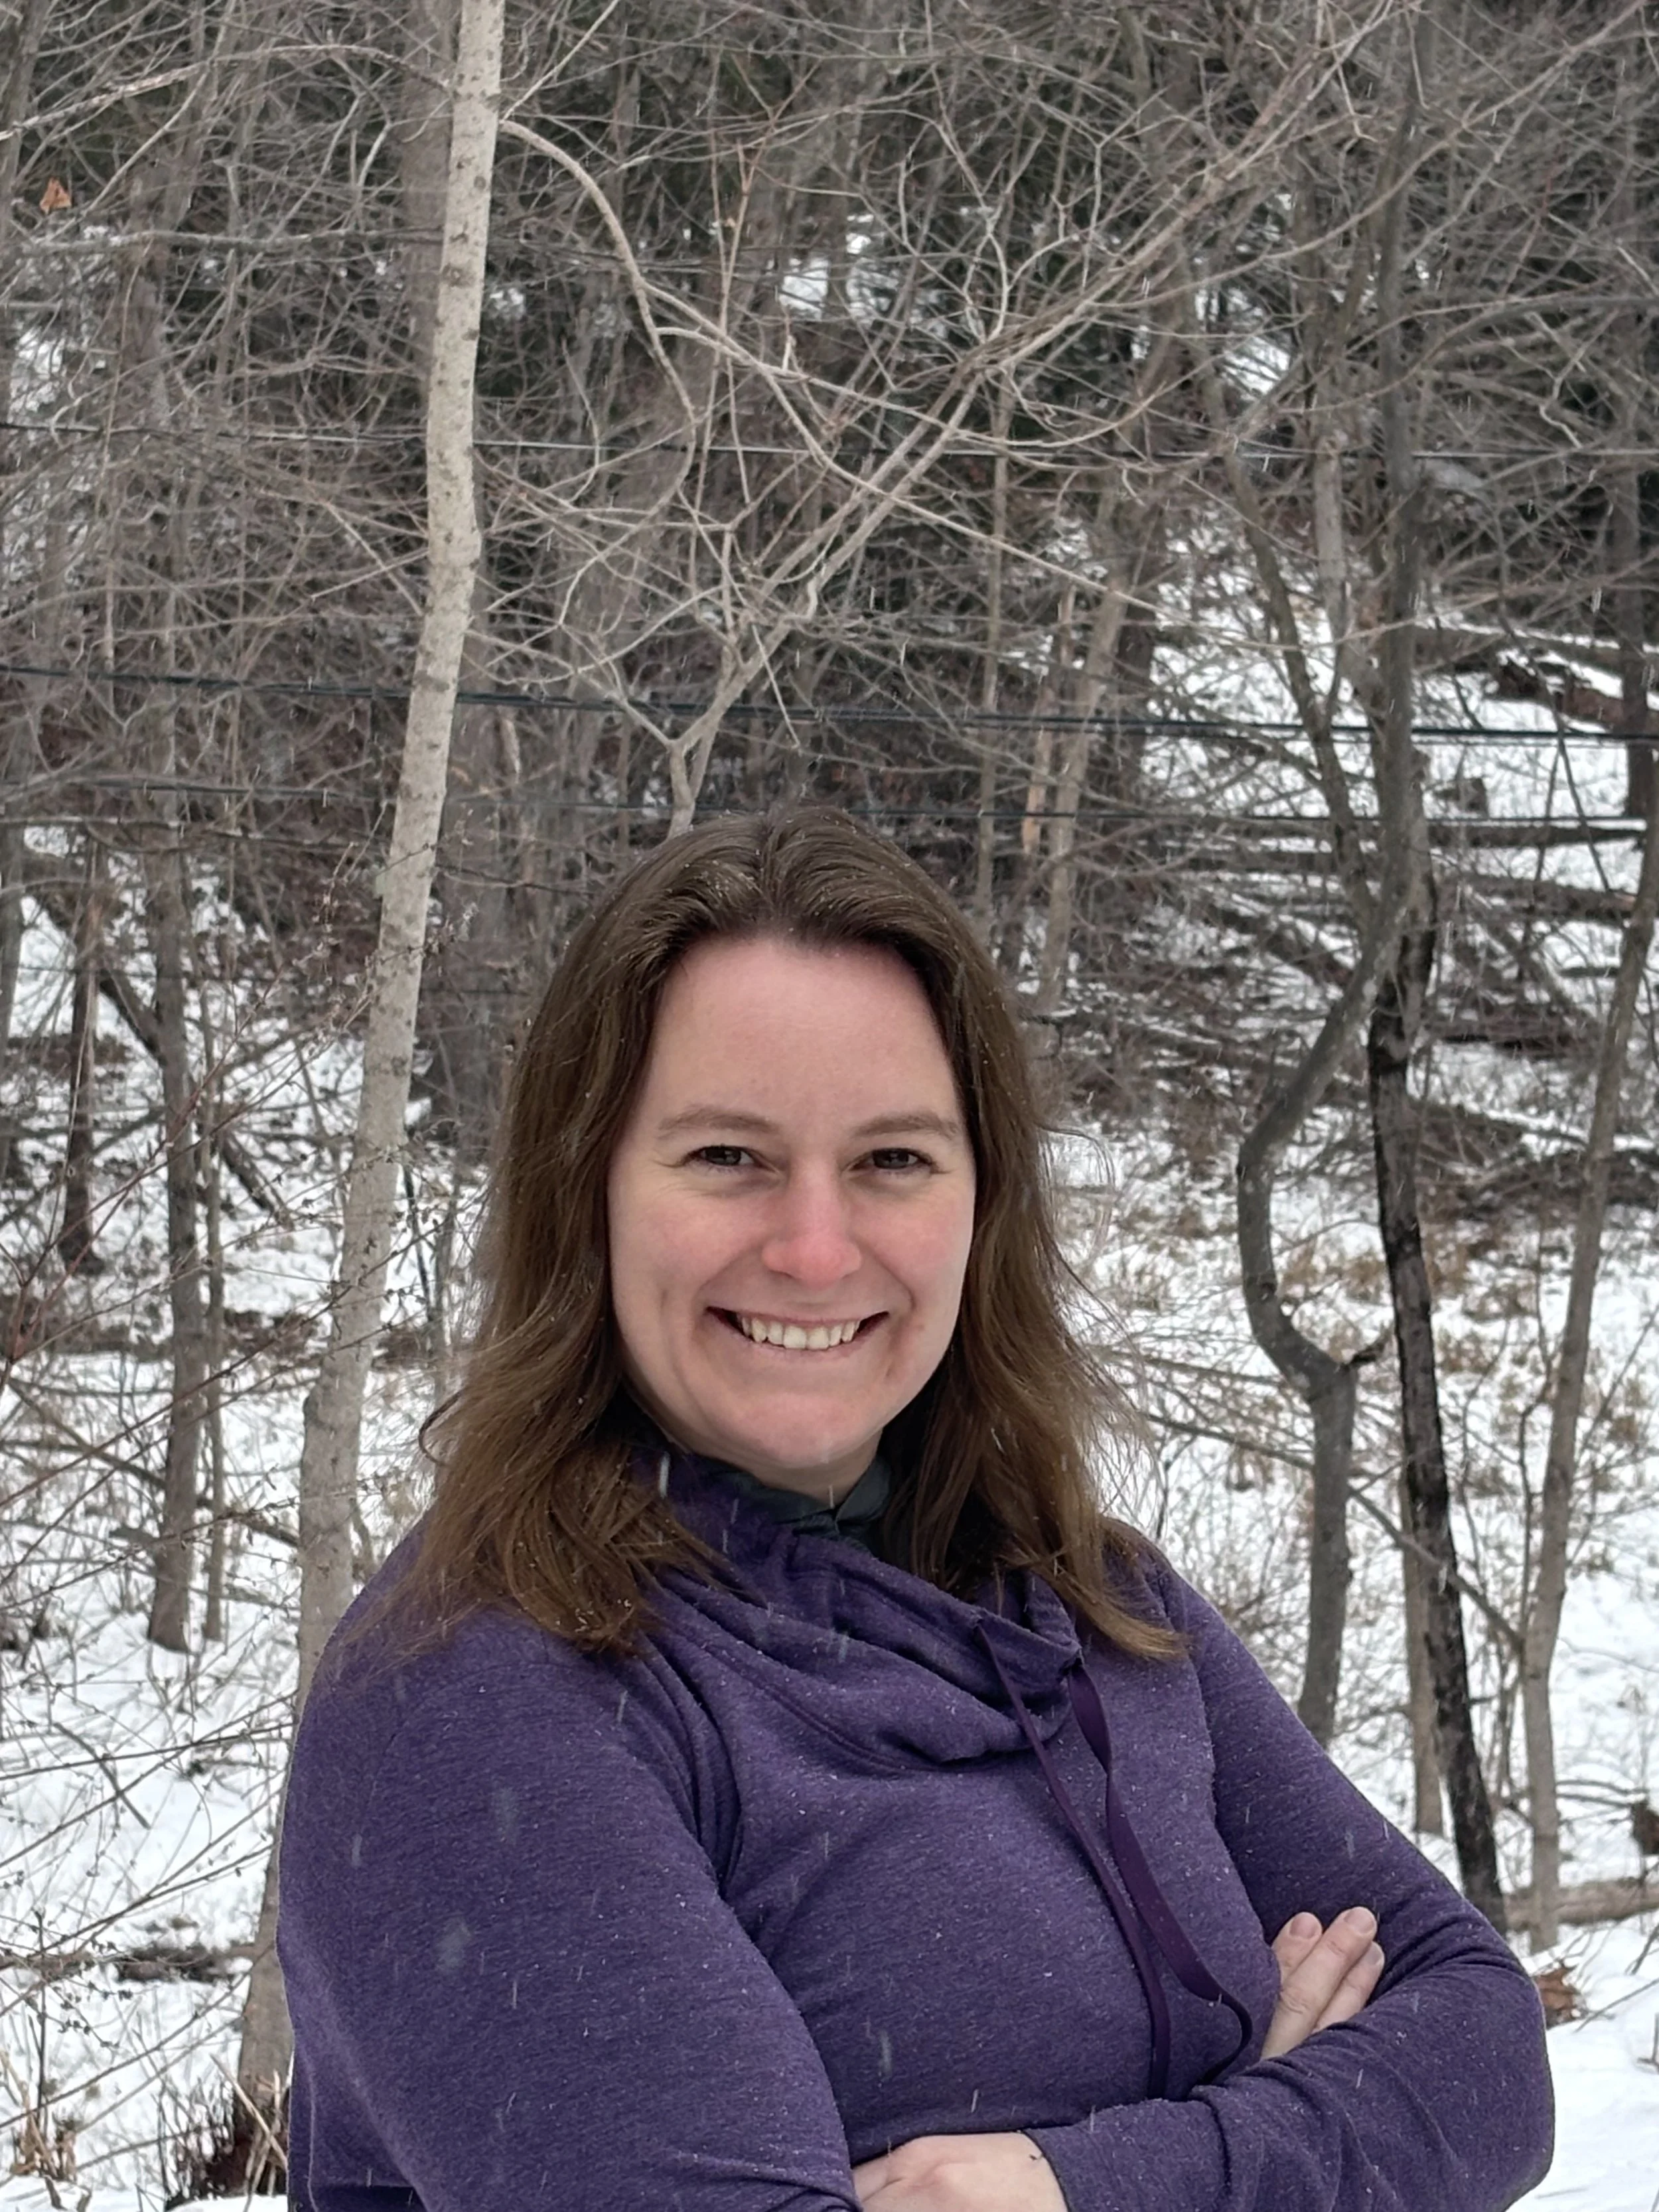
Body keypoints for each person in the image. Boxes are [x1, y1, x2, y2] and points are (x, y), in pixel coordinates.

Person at [279, 807, 1552, 2211]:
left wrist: (1096, 2183)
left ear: (981, 1201)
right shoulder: (478, 1698)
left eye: (891, 1159)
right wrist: (1302, 2120)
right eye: (725, 1157)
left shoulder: (1092, 1602)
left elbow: (1486, 2055)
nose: (816, 1247)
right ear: (582, 1198)